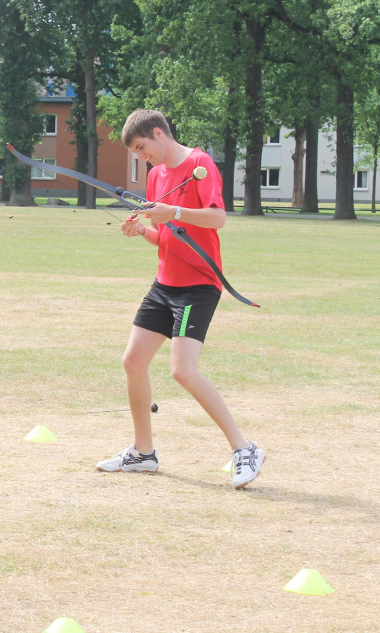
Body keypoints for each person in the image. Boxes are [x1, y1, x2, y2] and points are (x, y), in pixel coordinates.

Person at [96, 109, 264, 489]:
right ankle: (143, 453)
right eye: (136, 153)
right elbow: (167, 236)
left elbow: (217, 218)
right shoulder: (156, 176)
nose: (143, 157)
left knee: (182, 370)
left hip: (198, 285)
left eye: (143, 147)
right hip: (164, 283)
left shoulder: (200, 164)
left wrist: (173, 210)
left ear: (159, 133)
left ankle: (245, 449)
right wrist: (142, 231)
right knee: (133, 361)